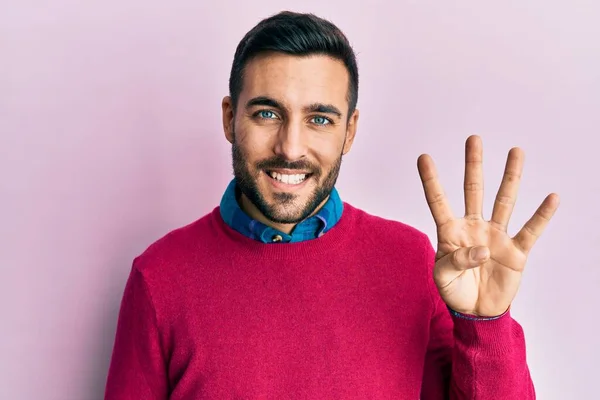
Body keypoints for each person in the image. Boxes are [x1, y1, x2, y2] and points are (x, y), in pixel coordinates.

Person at [104, 11, 559, 400]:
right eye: (267, 113)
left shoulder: (413, 260)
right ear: (229, 118)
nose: (291, 147)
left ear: (350, 131)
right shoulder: (159, 277)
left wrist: (484, 324)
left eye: (319, 119)